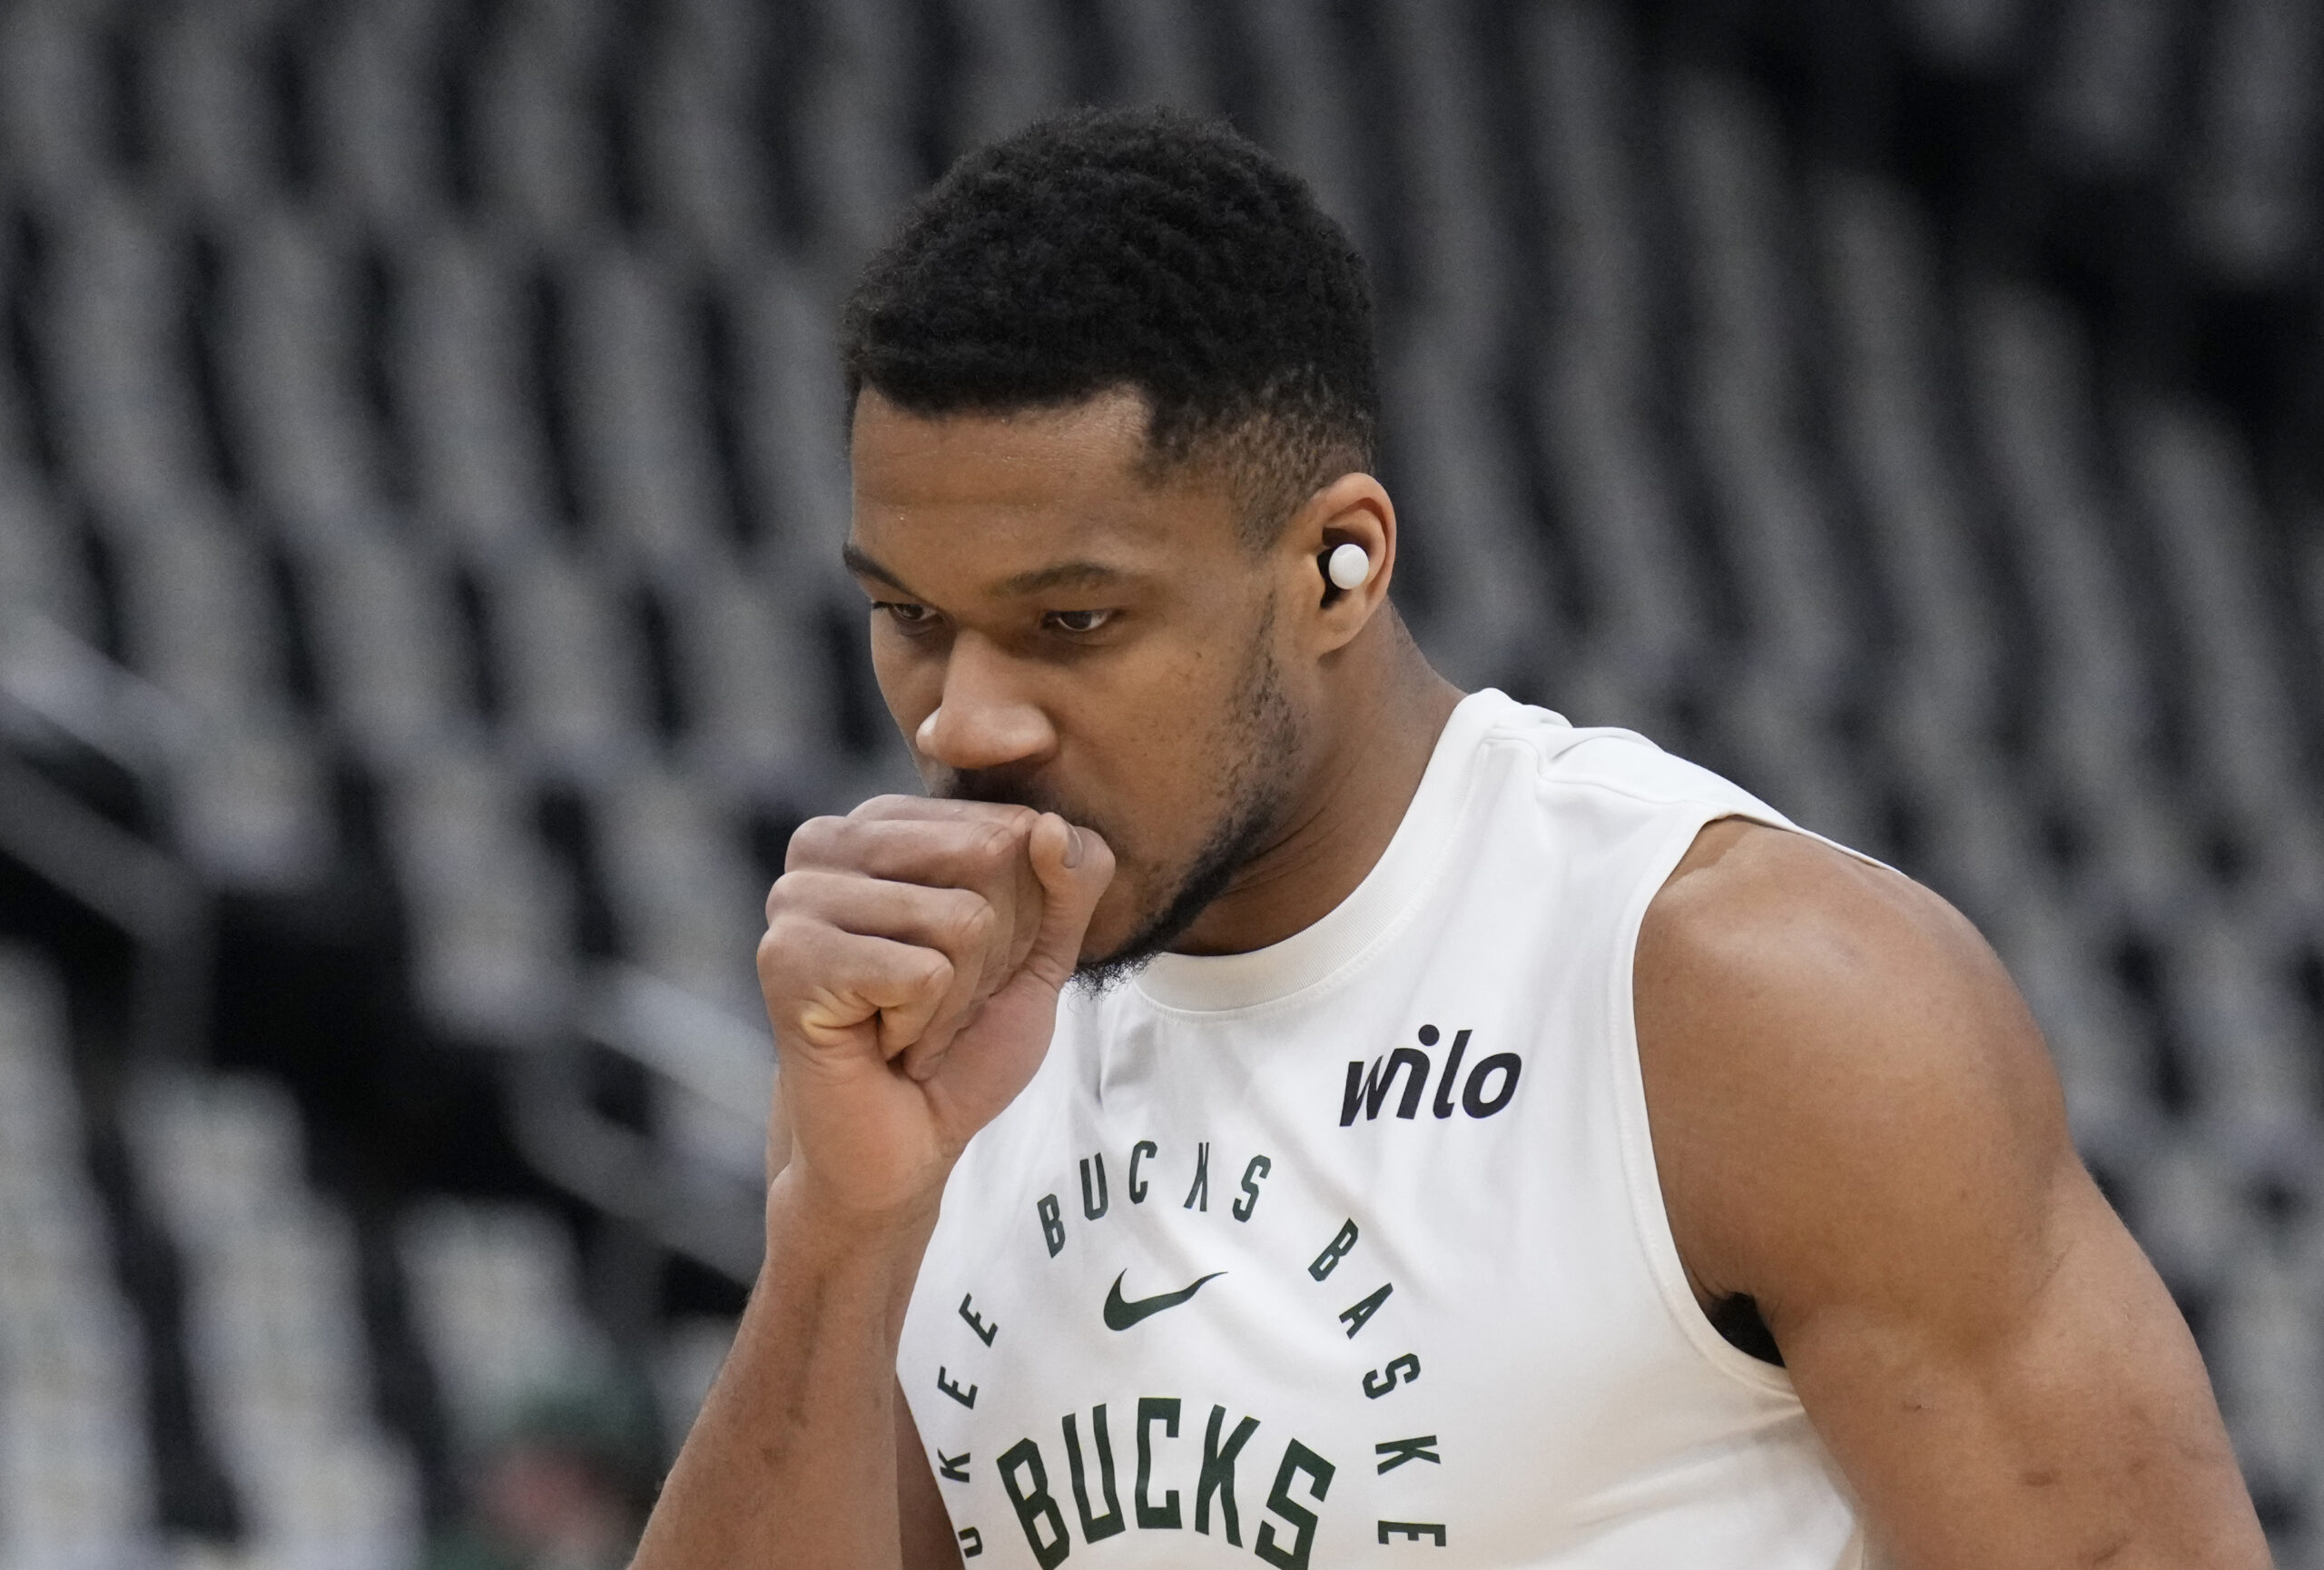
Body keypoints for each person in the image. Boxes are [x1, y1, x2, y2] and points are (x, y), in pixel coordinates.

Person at [632, 108, 2267, 1568]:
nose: (962, 721)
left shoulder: (1744, 993)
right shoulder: (920, 1030)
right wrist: (837, 1239)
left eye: (1071, 618)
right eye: (909, 615)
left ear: (1338, 563)